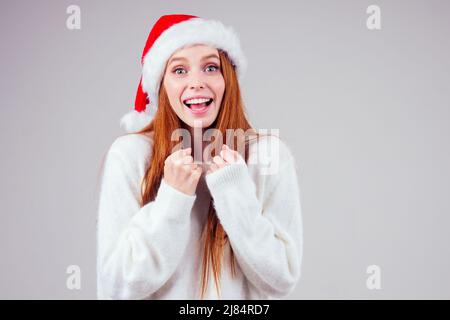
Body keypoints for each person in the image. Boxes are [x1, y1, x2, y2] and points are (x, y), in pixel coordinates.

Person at [96, 14, 303, 300]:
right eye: (179, 70)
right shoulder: (130, 156)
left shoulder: (269, 156)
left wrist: (234, 191)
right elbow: (116, 290)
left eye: (210, 67)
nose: (196, 83)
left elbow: (281, 279)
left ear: (227, 79)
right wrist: (172, 199)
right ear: (161, 84)